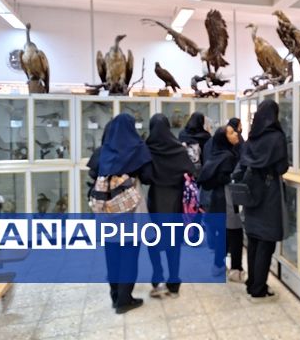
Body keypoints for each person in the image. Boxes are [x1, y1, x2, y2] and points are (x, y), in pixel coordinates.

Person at [87, 113, 152, 314]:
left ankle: (115, 295)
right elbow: (148, 177)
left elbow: (92, 172)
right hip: (128, 210)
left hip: (106, 211)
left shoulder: (102, 151)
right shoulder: (137, 149)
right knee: (130, 255)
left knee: (112, 253)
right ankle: (125, 299)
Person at [238, 100, 289, 301]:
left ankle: (252, 283)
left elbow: (244, 162)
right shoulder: (277, 137)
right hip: (270, 194)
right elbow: (281, 167)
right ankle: (259, 288)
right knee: (266, 243)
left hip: (252, 192)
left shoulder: (252, 137)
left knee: (253, 241)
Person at [141, 114, 195, 298]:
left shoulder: (148, 149)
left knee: (153, 241)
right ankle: (174, 283)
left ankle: (158, 279)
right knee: (174, 243)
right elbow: (191, 170)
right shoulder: (178, 149)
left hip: (155, 202)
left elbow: (146, 177)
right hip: (175, 202)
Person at [197, 126, 245, 281]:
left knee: (223, 234)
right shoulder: (228, 157)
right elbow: (225, 178)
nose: (235, 134)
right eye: (231, 133)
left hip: (218, 199)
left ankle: (218, 265)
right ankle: (236, 270)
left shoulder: (218, 154)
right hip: (228, 199)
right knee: (235, 233)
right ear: (224, 139)